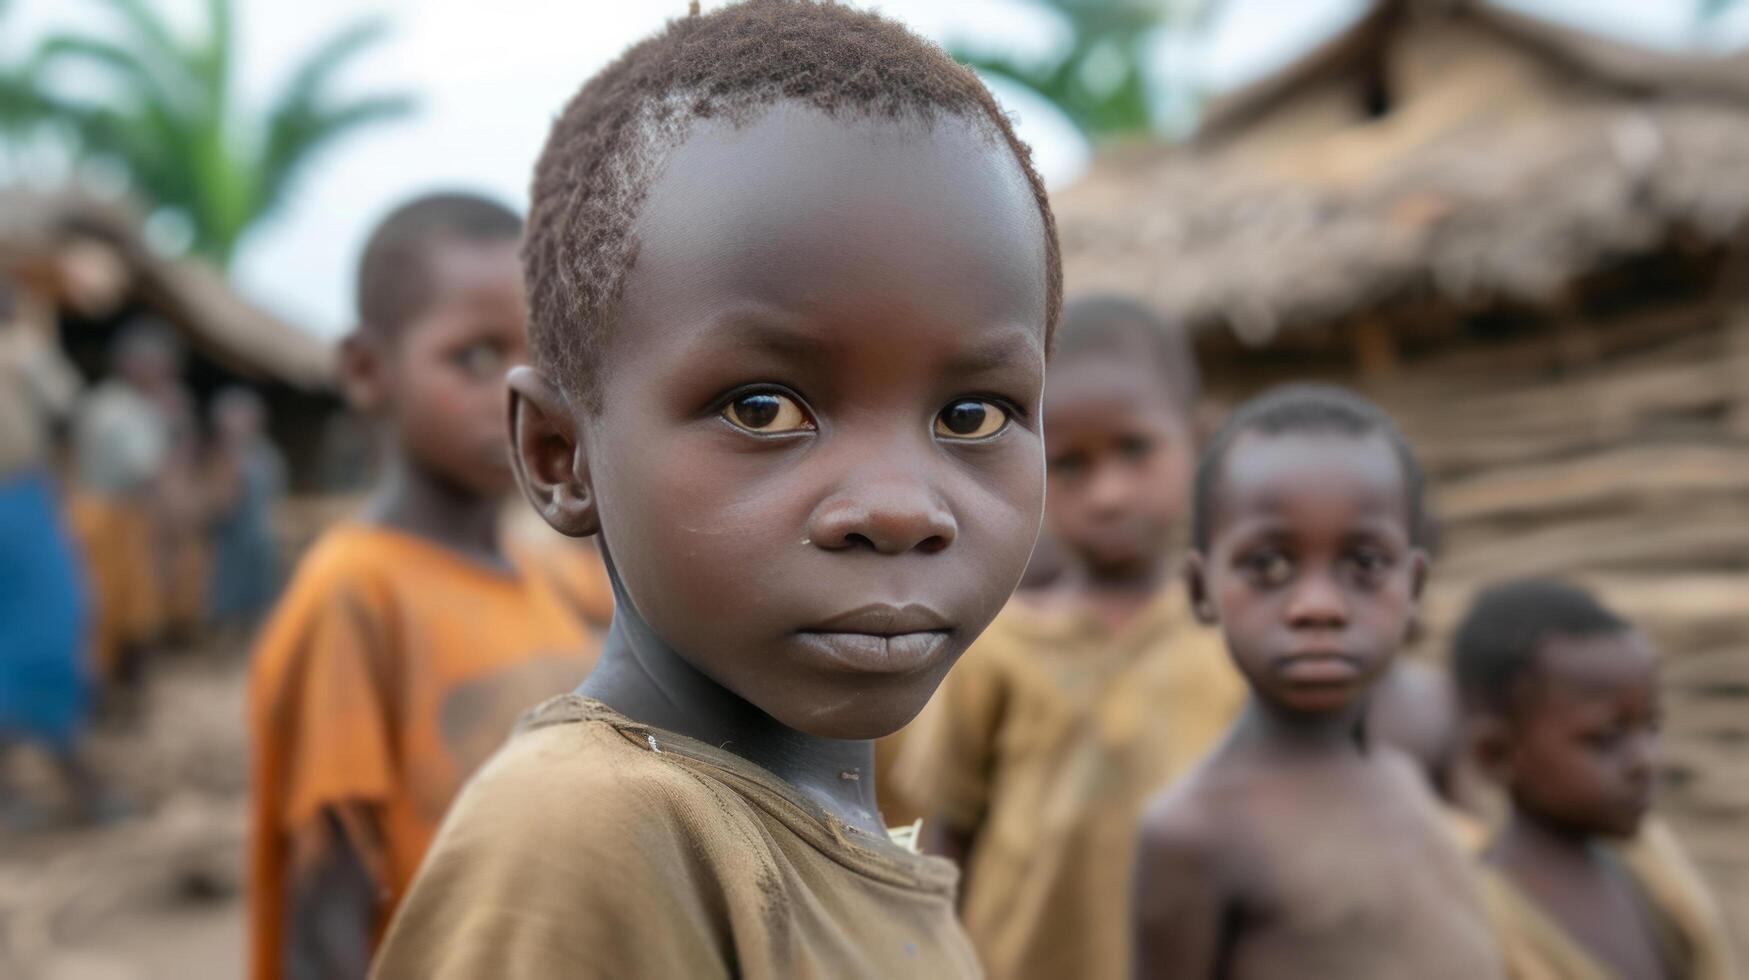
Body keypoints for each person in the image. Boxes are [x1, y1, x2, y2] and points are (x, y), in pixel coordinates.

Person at [369, 3, 1060, 976]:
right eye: (764, 408)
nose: (901, 504)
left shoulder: (814, 824)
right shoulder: (593, 834)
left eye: (972, 416)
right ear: (562, 454)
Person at [246, 192, 602, 980]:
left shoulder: (545, 576)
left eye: (544, 359)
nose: (520, 394)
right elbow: (325, 913)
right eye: (476, 357)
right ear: (367, 371)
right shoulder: (355, 594)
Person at [890, 295, 1243, 980]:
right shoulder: (994, 650)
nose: (1108, 493)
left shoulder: (1235, 642)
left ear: (1197, 443)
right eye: (1071, 464)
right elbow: (946, 839)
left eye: (1134, 450)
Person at [1132, 384, 1503, 980]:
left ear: (1414, 587)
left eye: (1364, 564)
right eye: (1268, 565)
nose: (1318, 606)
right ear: (1201, 592)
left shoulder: (1404, 778)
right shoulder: (1194, 832)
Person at [1452, 579, 1736, 980]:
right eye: (1606, 738)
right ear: (1495, 754)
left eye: (1651, 728)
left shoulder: (1650, 861)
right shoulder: (1477, 928)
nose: (1646, 761)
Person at [0, 275, 108, 824]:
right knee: (52, 630)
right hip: (18, 504)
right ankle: (76, 777)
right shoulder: (20, 350)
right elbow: (70, 409)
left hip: (22, 505)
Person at [69, 321, 177, 691]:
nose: (163, 374)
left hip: (113, 516)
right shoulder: (123, 409)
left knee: (128, 610)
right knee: (112, 610)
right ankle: (105, 693)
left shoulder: (106, 403)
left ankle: (114, 693)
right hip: (109, 519)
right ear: (131, 365)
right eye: (157, 366)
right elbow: (147, 470)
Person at [206, 386, 286, 635]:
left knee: (260, 600)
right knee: (228, 597)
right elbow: (218, 502)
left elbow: (274, 495)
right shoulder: (221, 456)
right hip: (230, 540)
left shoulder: (265, 456)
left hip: (259, 537)